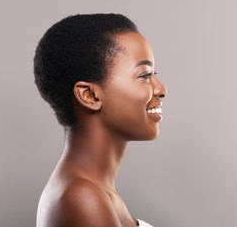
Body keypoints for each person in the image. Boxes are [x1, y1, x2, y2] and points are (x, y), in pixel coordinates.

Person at [33, 14, 167, 227]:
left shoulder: (99, 191)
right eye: (145, 75)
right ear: (90, 96)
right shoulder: (81, 197)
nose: (161, 89)